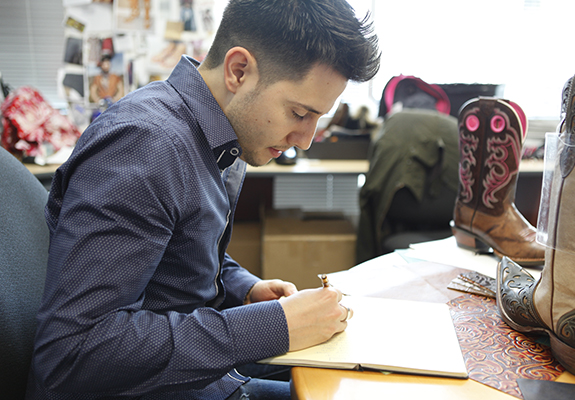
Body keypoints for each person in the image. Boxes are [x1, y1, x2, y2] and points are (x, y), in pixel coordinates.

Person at [26, 0, 380, 399]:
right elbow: (72, 354)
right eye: (299, 113)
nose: (306, 140)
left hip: (190, 365)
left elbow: (176, 249)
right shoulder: (146, 146)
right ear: (238, 71)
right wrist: (275, 325)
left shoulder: (220, 134)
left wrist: (245, 288)